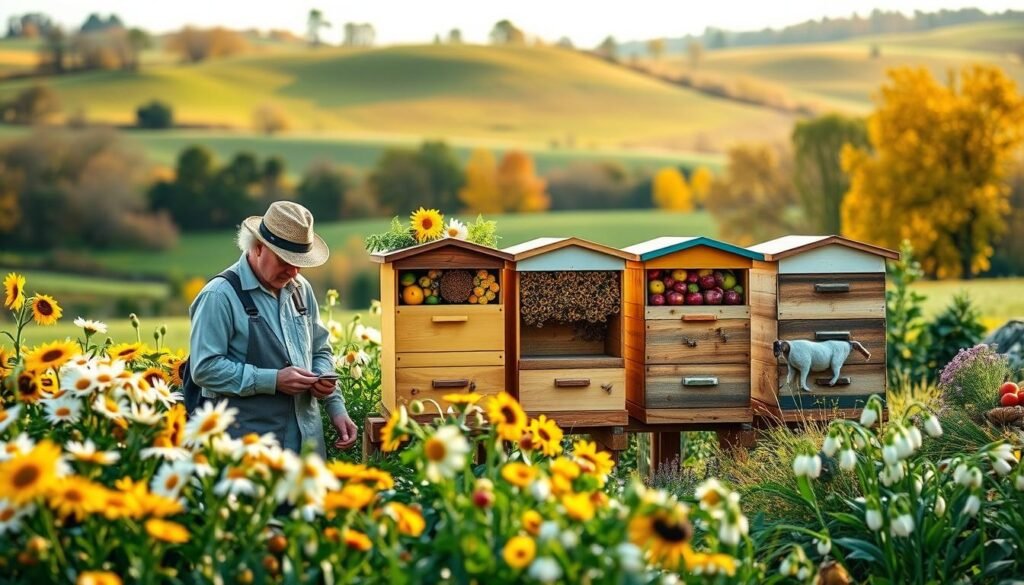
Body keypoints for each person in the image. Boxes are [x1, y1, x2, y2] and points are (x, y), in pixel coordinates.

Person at [189, 200, 357, 457]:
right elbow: (205, 368)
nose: (294, 271)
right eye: (285, 260)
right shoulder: (219, 296)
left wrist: (334, 403)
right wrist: (274, 380)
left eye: (300, 262)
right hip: (246, 457)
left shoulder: (301, 289)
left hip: (307, 452)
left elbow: (320, 351)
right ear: (258, 248)